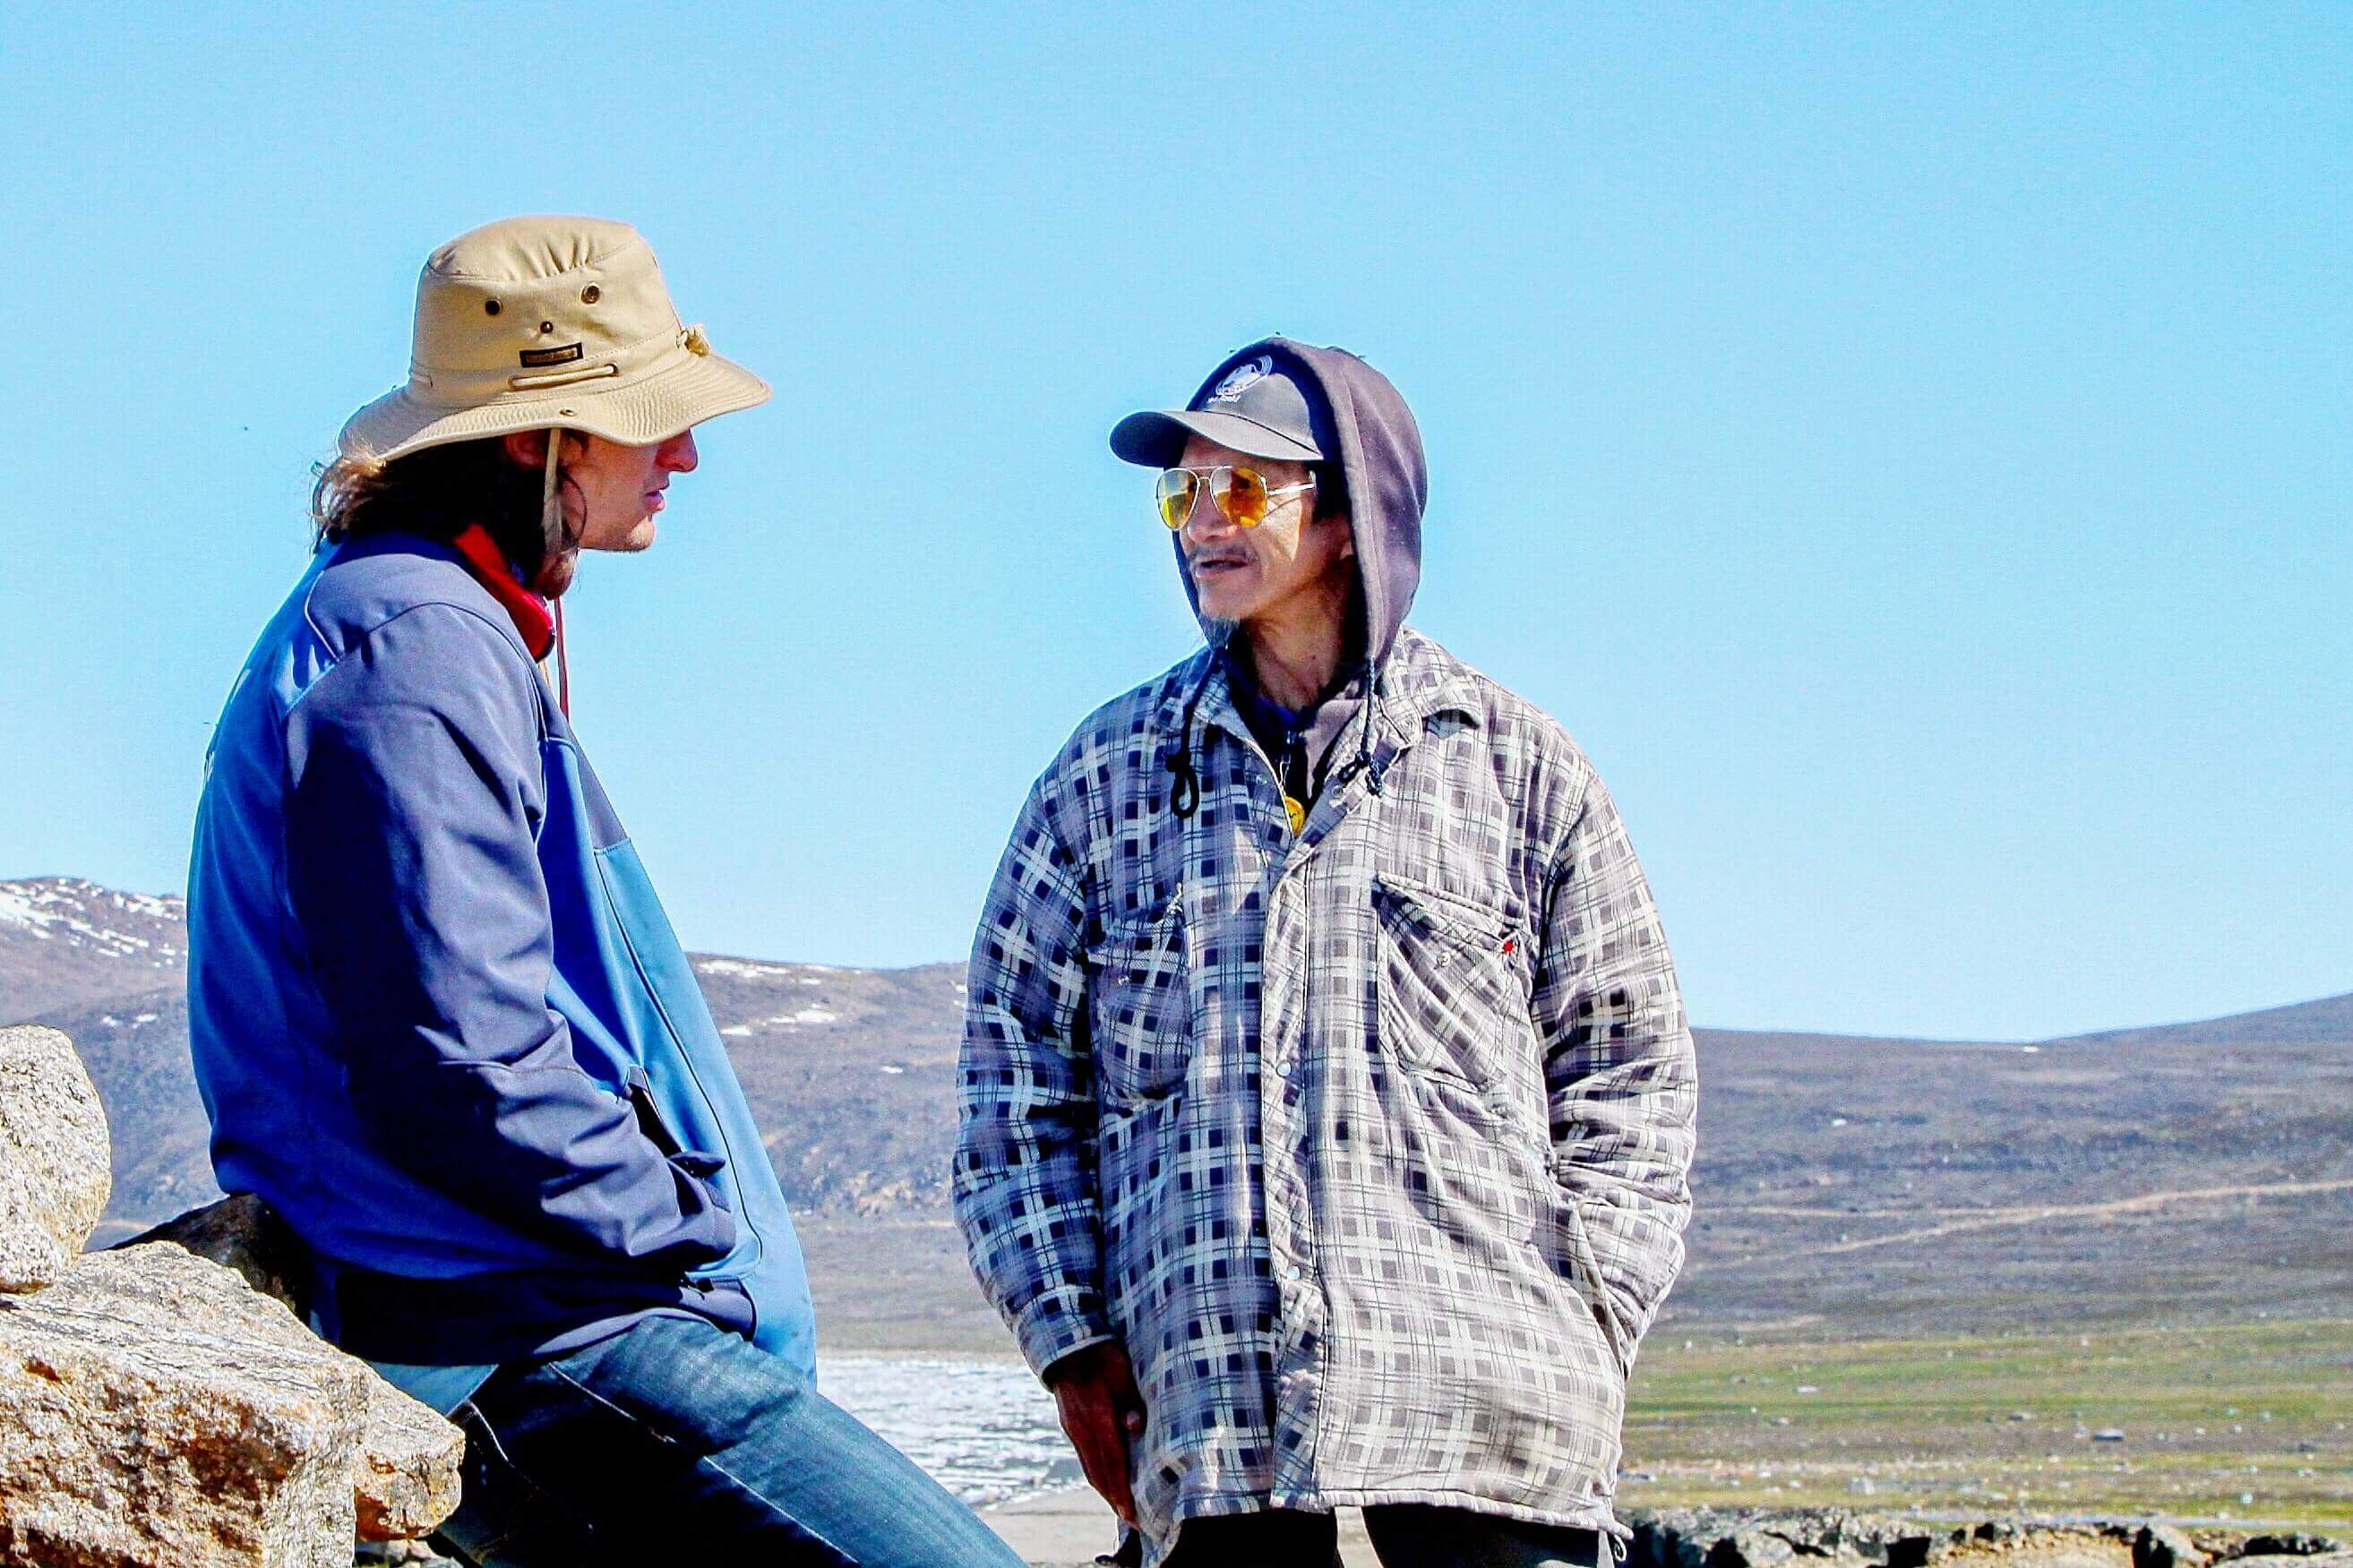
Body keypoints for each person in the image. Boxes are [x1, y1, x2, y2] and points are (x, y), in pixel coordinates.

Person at [189, 215, 1022, 1566]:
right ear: (540, 437)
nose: (684, 452)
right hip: (518, 1335)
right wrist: (686, 1227)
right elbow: (458, 1058)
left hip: (520, 1312)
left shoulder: (412, 620)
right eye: (649, 419)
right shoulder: (418, 644)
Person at [954, 340, 1699, 1567]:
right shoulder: (1106, 782)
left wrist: (1590, 1315)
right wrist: (1072, 1340)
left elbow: (1630, 1069)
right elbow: (1011, 1081)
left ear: (1353, 517)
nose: (1203, 523)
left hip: (1492, 1435)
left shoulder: (1516, 770)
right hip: (1213, 1434)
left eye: (1245, 489)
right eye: (1182, 494)